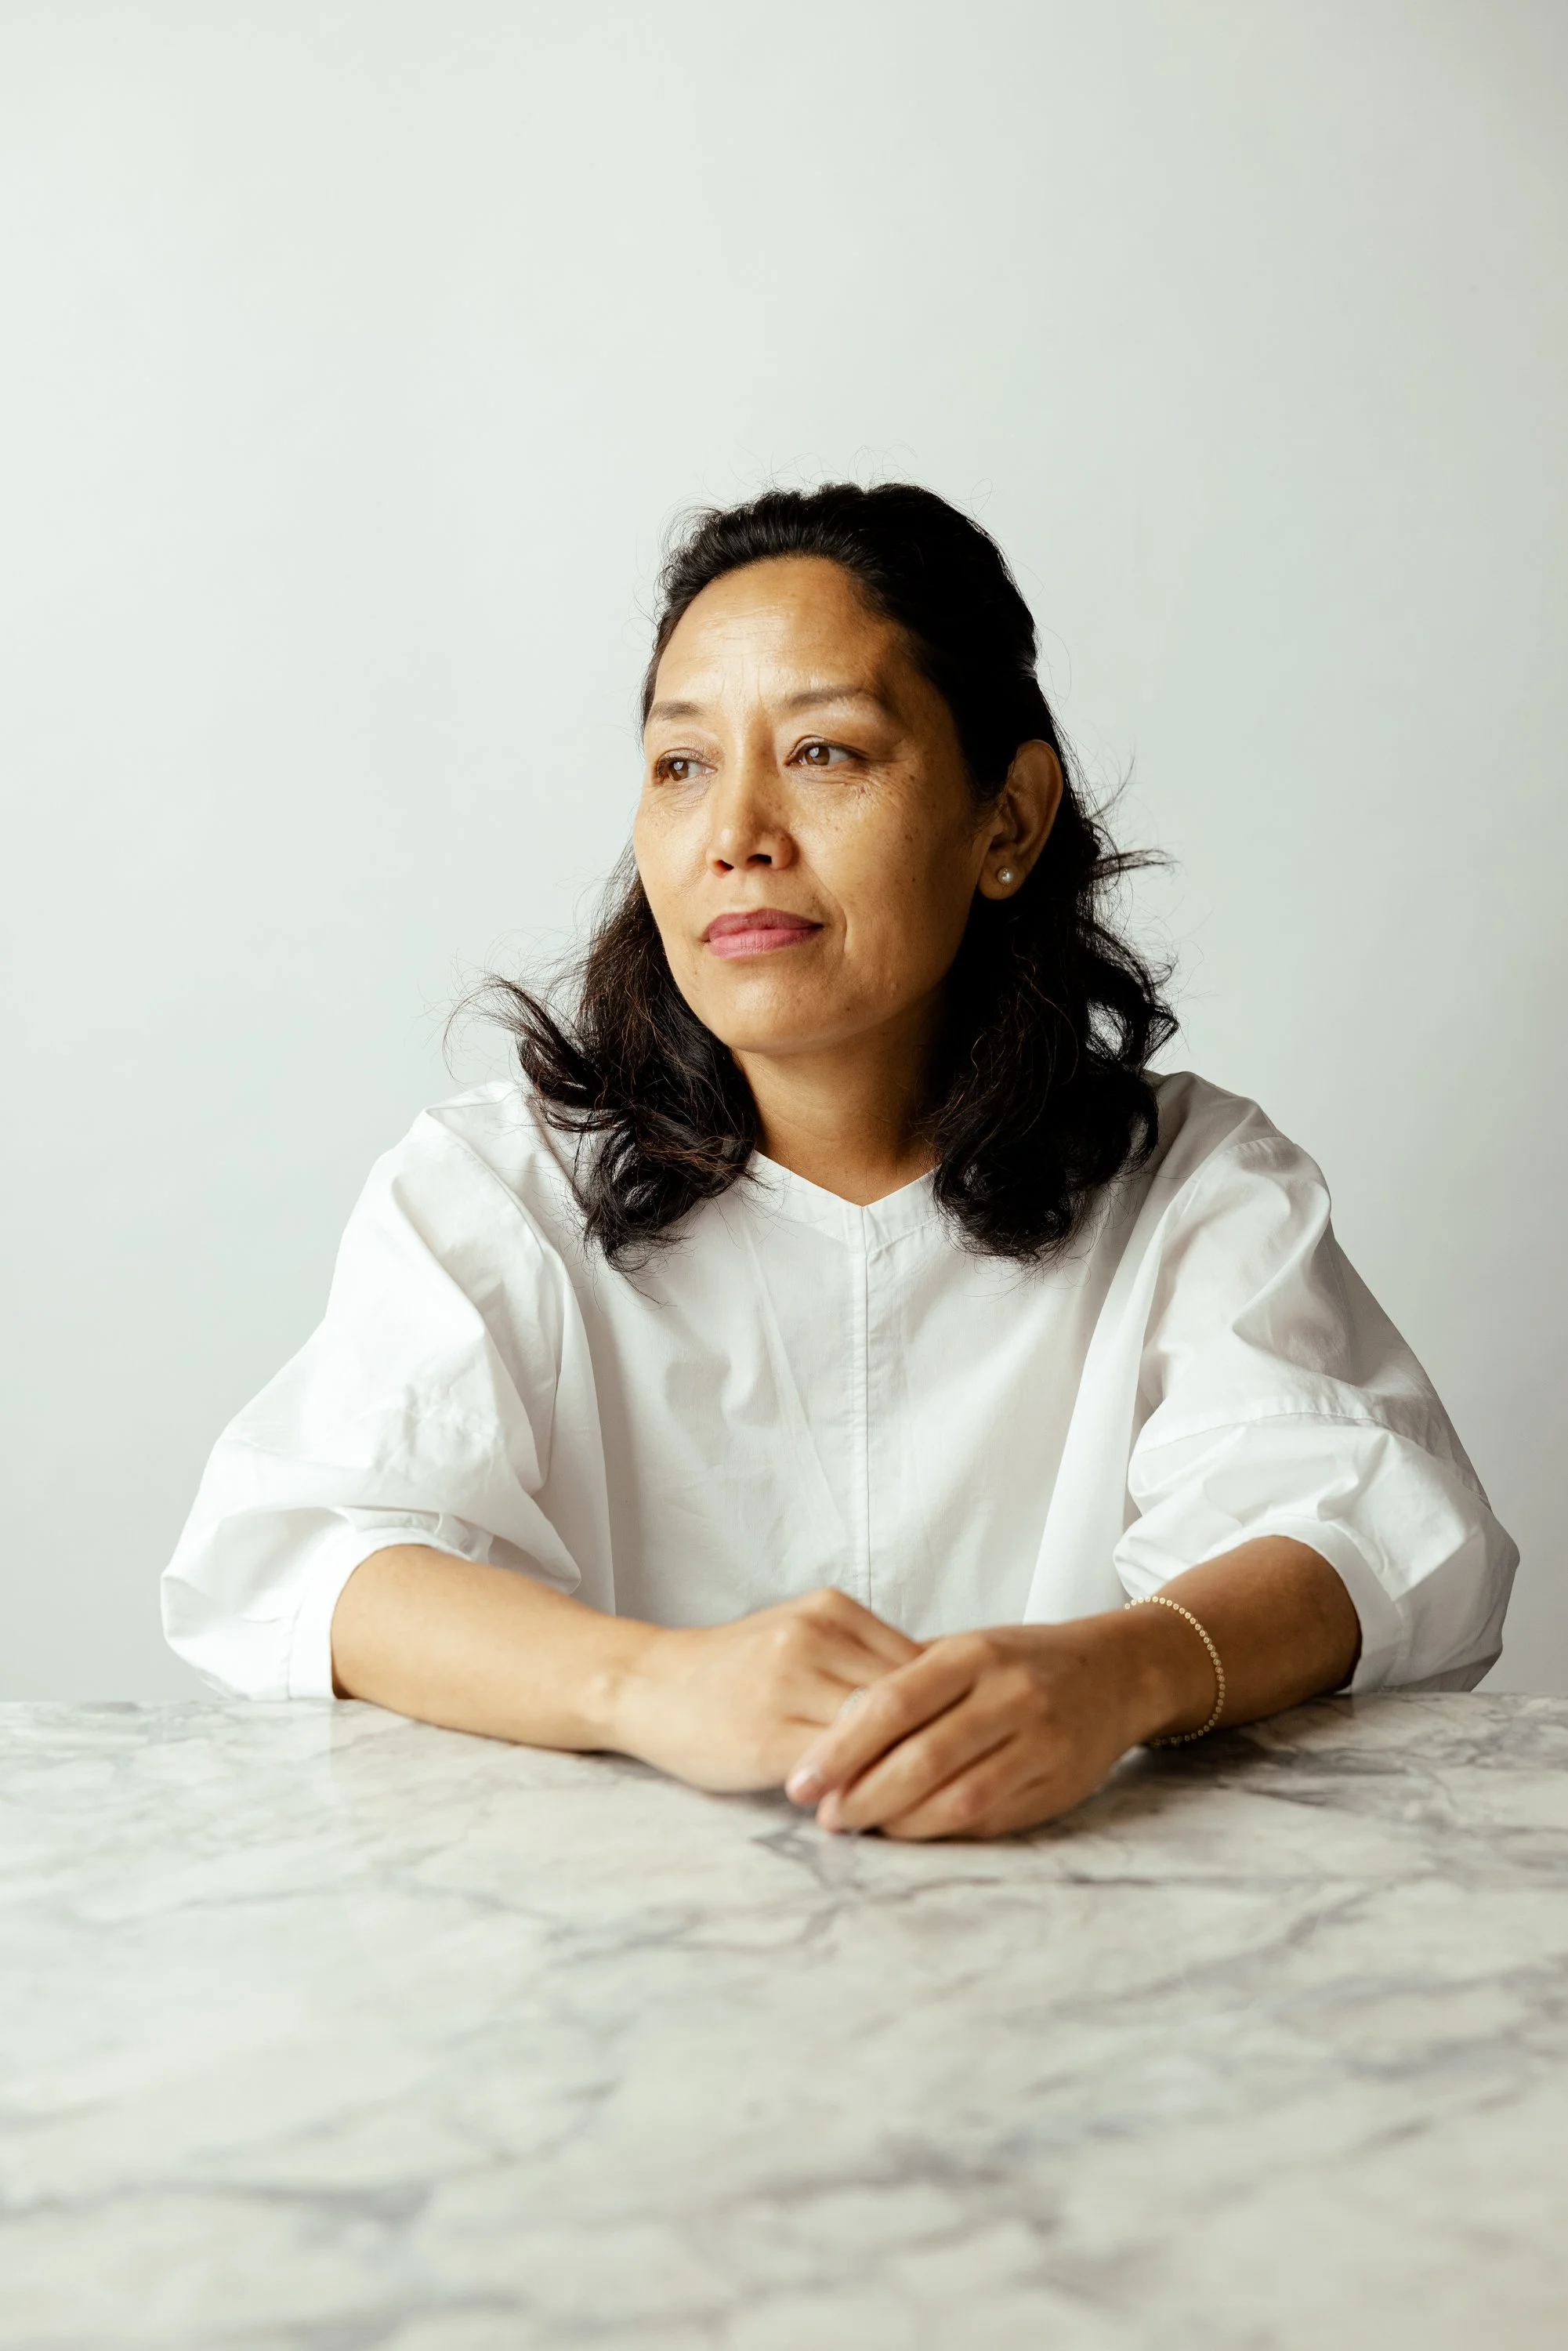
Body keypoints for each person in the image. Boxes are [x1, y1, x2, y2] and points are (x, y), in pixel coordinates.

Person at [162, 483, 1517, 1839]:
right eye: (682, 764)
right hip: (609, 1931)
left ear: (1007, 820)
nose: (736, 834)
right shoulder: (497, 1188)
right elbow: (314, 1549)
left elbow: (1364, 1518)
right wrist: (653, 1686)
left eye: (824, 752)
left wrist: (1116, 1676)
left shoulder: (1193, 1184)